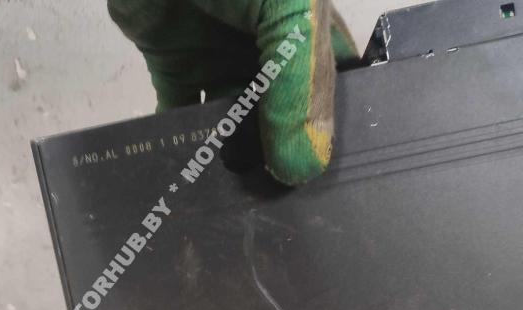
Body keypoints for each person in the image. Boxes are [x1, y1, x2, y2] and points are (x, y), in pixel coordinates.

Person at [107, 0, 359, 186]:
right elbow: (172, 75)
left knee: (297, 156)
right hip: (238, 104)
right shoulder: (133, 12)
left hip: (344, 93)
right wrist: (173, 137)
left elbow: (291, 10)